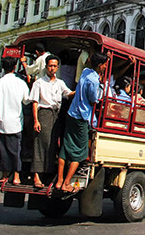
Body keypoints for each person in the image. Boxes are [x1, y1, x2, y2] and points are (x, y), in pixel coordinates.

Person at [56, 52, 108, 192]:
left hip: (71, 113)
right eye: (104, 64)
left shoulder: (85, 72)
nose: (105, 67)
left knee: (66, 148)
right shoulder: (94, 81)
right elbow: (93, 99)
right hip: (82, 116)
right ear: (100, 65)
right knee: (80, 152)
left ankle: (59, 179)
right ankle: (67, 182)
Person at [29, 55, 74, 187]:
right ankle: (36, 176)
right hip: (44, 113)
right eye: (50, 66)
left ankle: (47, 175)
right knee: (40, 143)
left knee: (52, 144)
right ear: (46, 67)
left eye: (54, 66)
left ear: (57, 67)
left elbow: (68, 93)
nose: (52, 69)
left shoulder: (59, 83)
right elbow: (35, 103)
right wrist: (36, 120)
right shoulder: (39, 82)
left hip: (56, 114)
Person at [0, 56, 31, 185]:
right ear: (14, 67)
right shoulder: (21, 83)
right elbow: (26, 100)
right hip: (16, 123)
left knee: (4, 150)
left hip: (2, 122)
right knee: (15, 151)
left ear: (3, 67)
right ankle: (17, 176)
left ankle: (5, 175)